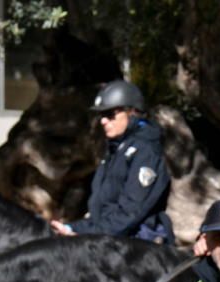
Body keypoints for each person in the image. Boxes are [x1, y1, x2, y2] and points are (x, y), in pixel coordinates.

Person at [51, 80, 174, 243]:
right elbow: (101, 213)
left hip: (136, 246)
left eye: (110, 115)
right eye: (102, 115)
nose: (103, 121)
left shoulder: (146, 151)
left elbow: (129, 214)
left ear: (132, 112)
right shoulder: (115, 151)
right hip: (109, 239)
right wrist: (72, 229)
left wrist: (87, 236)